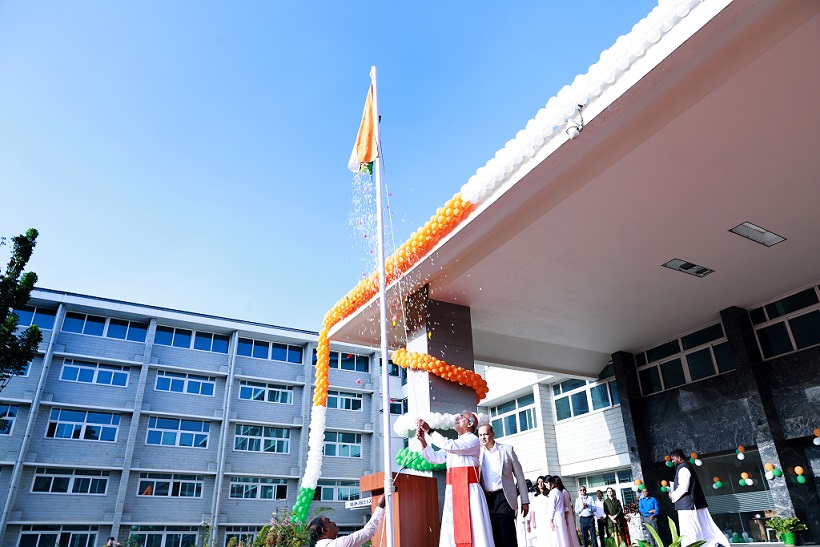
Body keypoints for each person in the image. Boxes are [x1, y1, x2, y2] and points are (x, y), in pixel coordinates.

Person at [417, 412, 495, 547]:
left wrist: (429, 431)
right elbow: (434, 458)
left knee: (474, 527)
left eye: (462, 417)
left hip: (469, 491)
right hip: (453, 491)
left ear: (470, 424)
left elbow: (450, 445)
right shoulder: (455, 445)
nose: (457, 418)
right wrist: (423, 441)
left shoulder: (472, 440)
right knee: (452, 528)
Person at [478, 424, 530, 547]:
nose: (483, 438)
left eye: (485, 434)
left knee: (507, 534)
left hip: (505, 497)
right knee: (493, 535)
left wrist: (525, 501)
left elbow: (520, 477)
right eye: (480, 435)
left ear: (493, 434)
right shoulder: (477, 453)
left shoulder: (507, 450)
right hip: (487, 499)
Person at [669, 448, 727, 547]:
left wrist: (672, 495)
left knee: (690, 531)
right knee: (697, 529)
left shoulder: (683, 469)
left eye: (673, 459)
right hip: (690, 505)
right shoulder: (685, 467)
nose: (672, 461)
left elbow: (683, 488)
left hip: (688, 506)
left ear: (679, 457)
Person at [308, 494, 386, 547]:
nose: (334, 523)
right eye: (329, 521)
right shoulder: (337, 545)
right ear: (325, 530)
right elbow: (369, 531)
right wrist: (380, 506)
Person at [554, 477, 580, 547]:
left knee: (570, 533)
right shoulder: (558, 492)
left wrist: (565, 519)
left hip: (567, 516)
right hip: (563, 516)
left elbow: (566, 507)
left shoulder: (564, 492)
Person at [529, 476, 551, 547]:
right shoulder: (535, 496)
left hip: (547, 518)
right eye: (539, 482)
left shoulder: (548, 495)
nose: (540, 484)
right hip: (538, 519)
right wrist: (533, 521)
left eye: (542, 482)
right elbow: (532, 510)